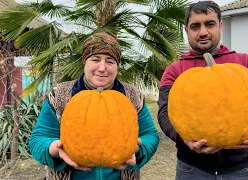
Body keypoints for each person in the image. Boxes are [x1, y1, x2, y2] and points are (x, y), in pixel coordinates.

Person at [157, 1, 248, 179]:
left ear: (220, 26)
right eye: (195, 26)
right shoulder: (175, 71)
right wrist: (184, 138)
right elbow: (164, 113)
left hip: (241, 168)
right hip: (192, 168)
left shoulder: (247, 63)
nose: (203, 32)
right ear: (186, 31)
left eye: (210, 24)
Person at [29, 32, 160, 180]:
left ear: (117, 66)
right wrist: (54, 149)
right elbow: (38, 140)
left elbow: (150, 135)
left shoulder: (133, 96)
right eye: (95, 59)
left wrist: (136, 149)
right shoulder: (59, 95)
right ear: (85, 62)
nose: (102, 68)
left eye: (110, 61)